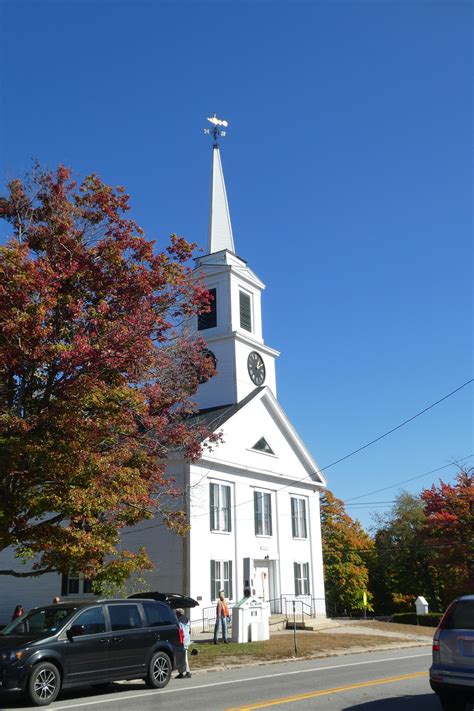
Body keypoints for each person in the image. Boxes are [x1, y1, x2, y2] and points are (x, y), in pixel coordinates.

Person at [175, 608, 192, 678]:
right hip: (187, 639)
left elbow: (181, 632)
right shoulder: (187, 619)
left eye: (176, 613)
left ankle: (186, 672)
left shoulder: (179, 621)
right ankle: (182, 672)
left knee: (183, 657)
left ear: (178, 614)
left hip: (183, 640)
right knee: (183, 656)